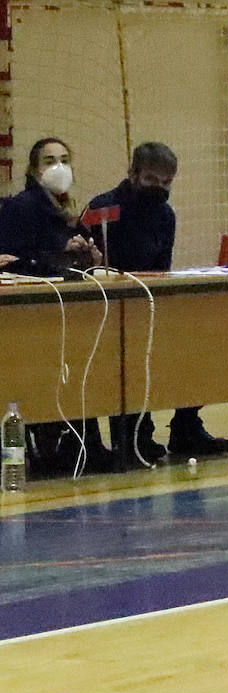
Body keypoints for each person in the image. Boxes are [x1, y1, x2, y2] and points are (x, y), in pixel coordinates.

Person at [88, 142, 228, 465]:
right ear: (133, 173)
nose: (160, 189)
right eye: (152, 180)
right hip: (107, 311)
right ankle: (134, 434)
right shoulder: (102, 209)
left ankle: (186, 424)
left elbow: (161, 270)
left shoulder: (166, 216)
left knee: (194, 342)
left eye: (167, 183)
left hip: (147, 304)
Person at [0, 137, 115, 475]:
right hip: (31, 318)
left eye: (64, 159)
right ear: (35, 170)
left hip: (70, 314)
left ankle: (85, 443)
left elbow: (79, 263)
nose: (59, 167)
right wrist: (61, 253)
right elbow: (13, 261)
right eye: (50, 161)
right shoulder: (20, 208)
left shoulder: (68, 213)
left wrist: (90, 257)